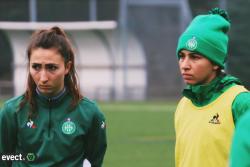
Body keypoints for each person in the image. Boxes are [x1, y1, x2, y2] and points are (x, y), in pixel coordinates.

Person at [0, 26, 107, 167]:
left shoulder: (90, 113)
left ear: (67, 67)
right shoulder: (11, 111)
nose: (43, 78)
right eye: (36, 67)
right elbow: (4, 157)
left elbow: (94, 160)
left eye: (52, 68)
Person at [174, 8, 250, 167]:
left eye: (195, 57)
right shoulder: (183, 104)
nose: (185, 65)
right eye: (182, 56)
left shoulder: (240, 102)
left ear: (215, 63)